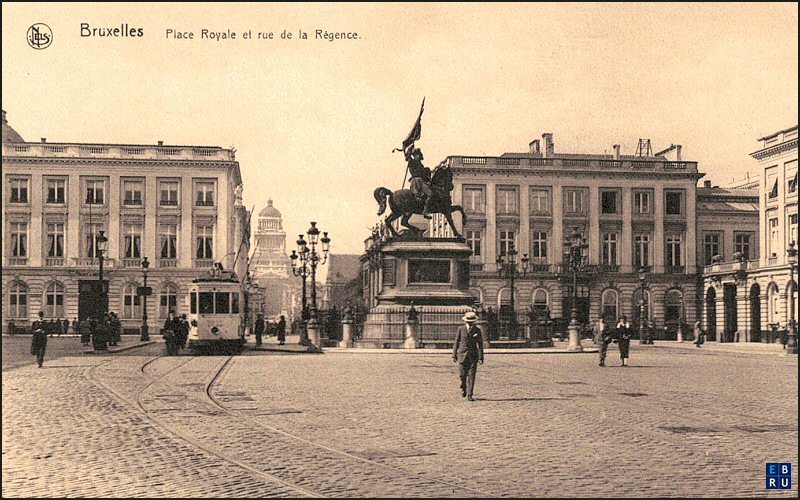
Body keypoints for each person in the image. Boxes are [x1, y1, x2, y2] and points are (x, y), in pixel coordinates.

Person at [452, 311, 485, 401]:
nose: (470, 323)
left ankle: (470, 394)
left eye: (471, 321)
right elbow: (456, 342)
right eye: (468, 321)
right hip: (462, 355)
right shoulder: (460, 329)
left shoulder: (477, 330)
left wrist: (481, 357)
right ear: (465, 321)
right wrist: (454, 354)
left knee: (472, 376)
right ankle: (463, 386)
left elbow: (480, 344)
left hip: (473, 356)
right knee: (462, 375)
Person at [405, 147, 434, 218]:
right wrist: (410, 146)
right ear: (413, 155)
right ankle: (425, 211)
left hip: (421, 181)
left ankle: (425, 210)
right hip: (416, 181)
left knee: (430, 194)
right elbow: (407, 156)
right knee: (429, 194)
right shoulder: (411, 161)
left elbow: (424, 173)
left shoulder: (420, 164)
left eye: (418, 155)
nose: (417, 156)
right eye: (415, 155)